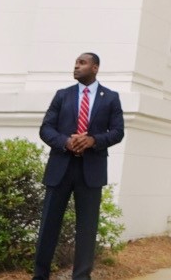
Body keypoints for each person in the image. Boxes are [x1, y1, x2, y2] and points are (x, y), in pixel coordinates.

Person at [32, 52, 125, 280]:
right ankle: (40, 275)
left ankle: (82, 277)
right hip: (60, 168)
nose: (76, 66)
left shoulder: (110, 98)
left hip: (91, 171)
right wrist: (65, 142)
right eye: (75, 63)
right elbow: (46, 128)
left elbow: (117, 132)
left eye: (82, 63)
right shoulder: (62, 95)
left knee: (87, 228)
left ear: (95, 68)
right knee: (48, 226)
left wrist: (93, 140)